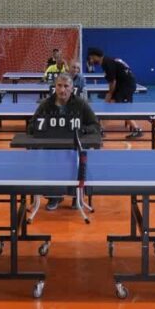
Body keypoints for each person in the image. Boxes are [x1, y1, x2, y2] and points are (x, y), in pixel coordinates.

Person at [28, 73, 100, 210]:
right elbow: (31, 126)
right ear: (55, 87)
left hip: (73, 148)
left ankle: (76, 196)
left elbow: (95, 125)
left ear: (72, 88)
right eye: (59, 86)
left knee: (77, 165)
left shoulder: (80, 104)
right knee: (51, 167)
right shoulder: (46, 104)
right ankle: (54, 197)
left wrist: (82, 130)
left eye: (66, 86)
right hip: (51, 149)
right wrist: (43, 129)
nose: (62, 90)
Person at [86, 47, 142, 139]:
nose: (91, 60)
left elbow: (112, 82)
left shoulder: (106, 63)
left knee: (113, 107)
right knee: (117, 107)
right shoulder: (108, 60)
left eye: (91, 58)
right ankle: (100, 129)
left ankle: (100, 130)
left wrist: (110, 94)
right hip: (124, 85)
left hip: (125, 86)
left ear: (96, 56)